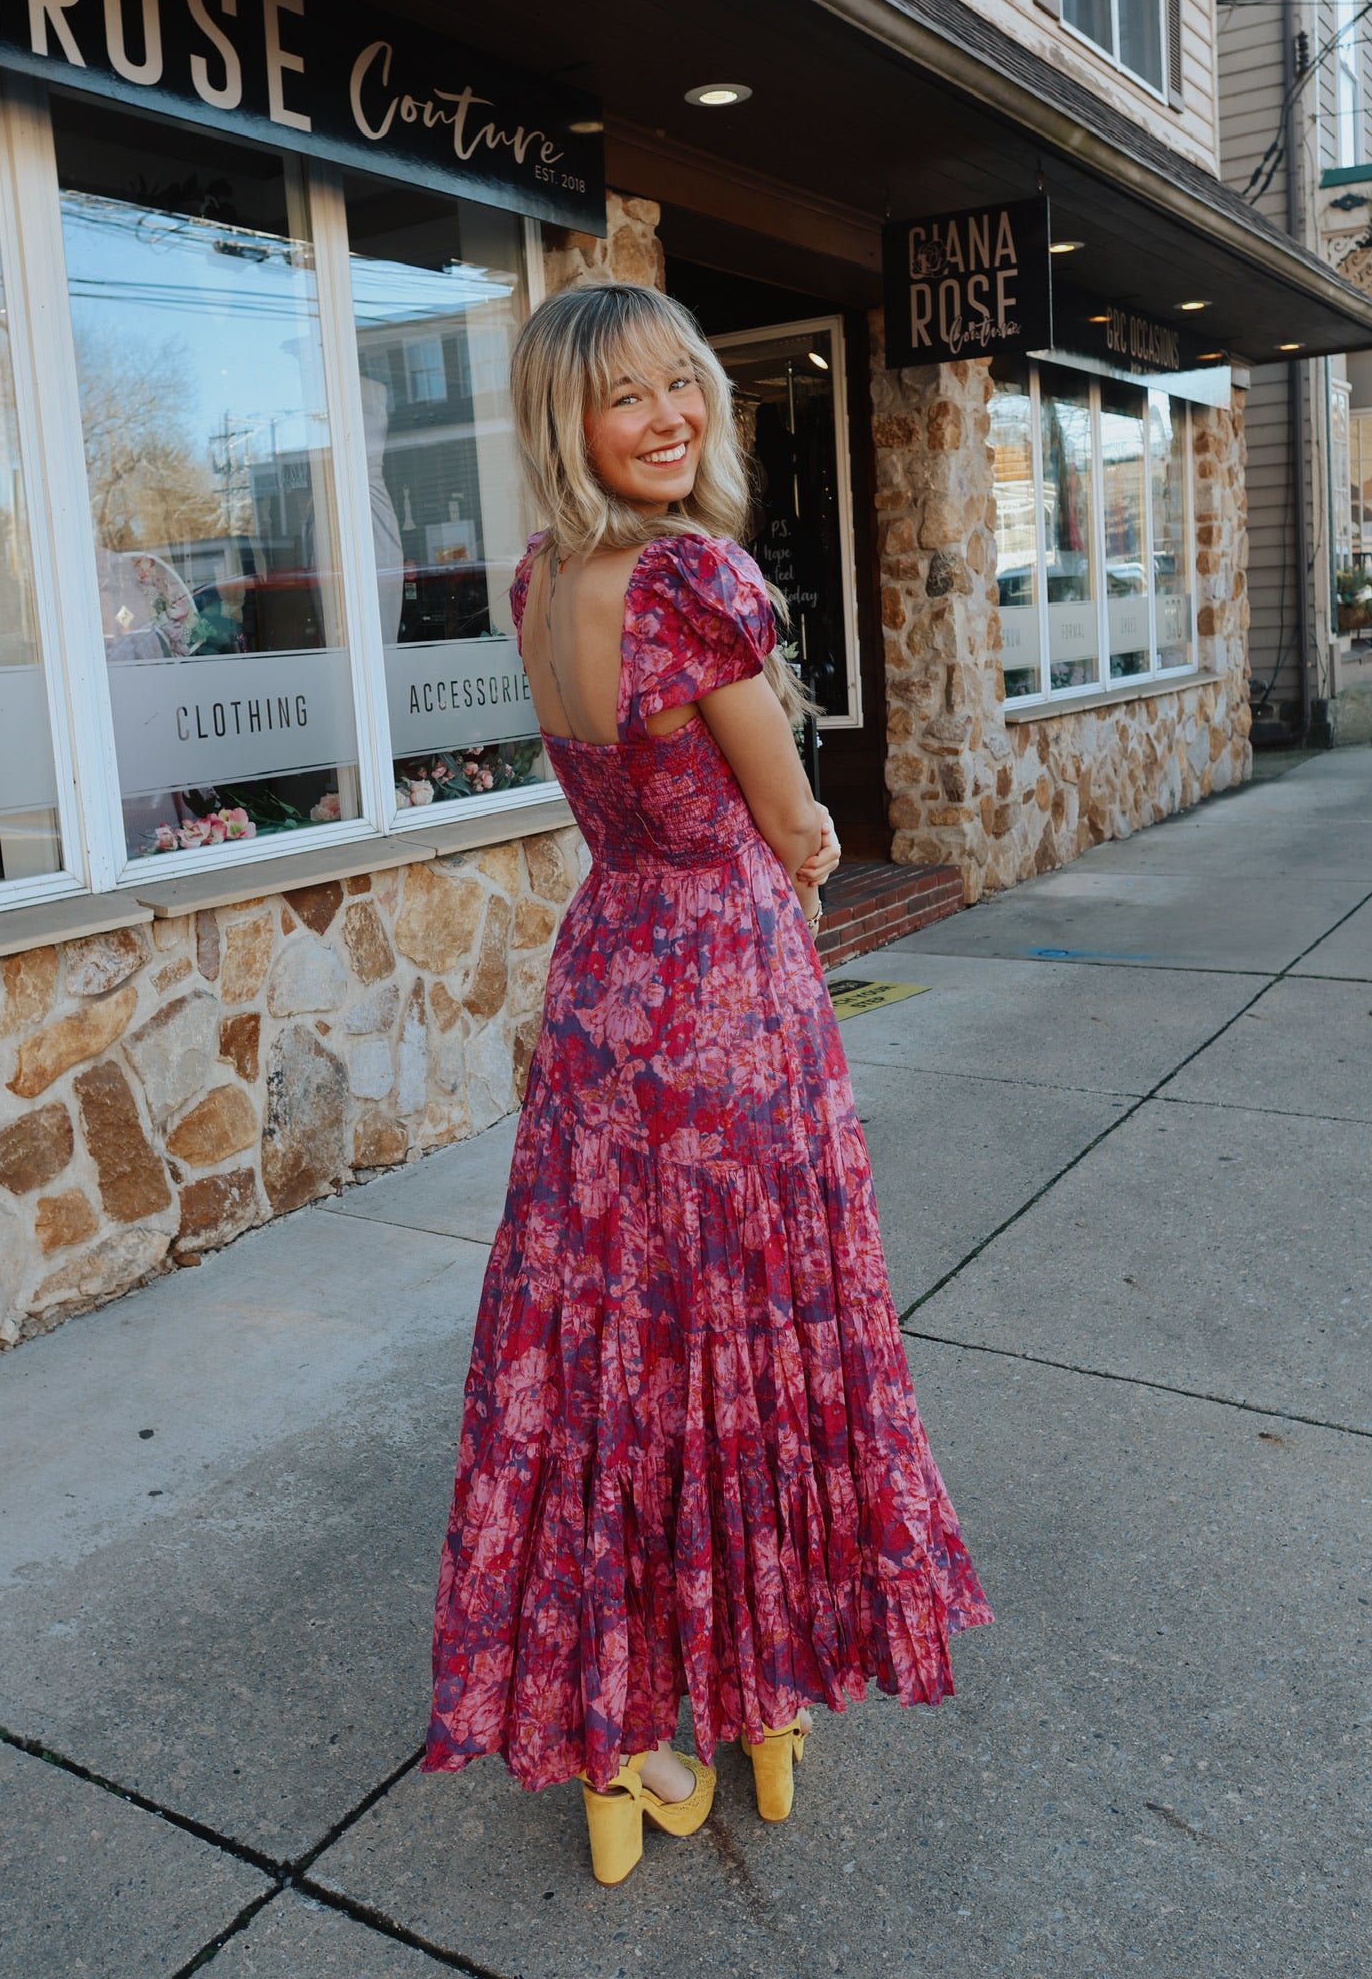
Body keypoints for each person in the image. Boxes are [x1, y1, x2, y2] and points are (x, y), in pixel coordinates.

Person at [423, 282, 990, 1884]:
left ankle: (626, 1734)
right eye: (629, 397)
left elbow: (609, 788)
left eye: (686, 383)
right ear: (567, 422)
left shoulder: (543, 582)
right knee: (755, 1332)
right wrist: (801, 853)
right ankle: (760, 1687)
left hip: (607, 982)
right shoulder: (692, 574)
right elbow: (794, 809)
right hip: (726, 993)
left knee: (611, 1349)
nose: (673, 414)